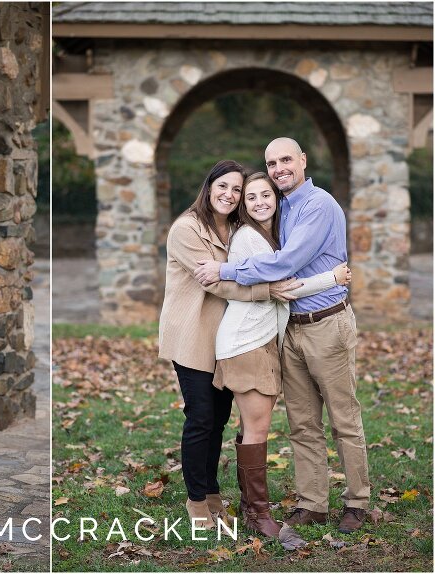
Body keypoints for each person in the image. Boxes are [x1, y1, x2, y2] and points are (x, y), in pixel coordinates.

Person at [194, 138, 370, 534]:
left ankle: (357, 502)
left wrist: (223, 270)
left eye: (286, 159)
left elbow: (285, 265)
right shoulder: (281, 208)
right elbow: (284, 274)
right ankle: (313, 504)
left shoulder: (317, 205)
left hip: (327, 323)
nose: (279, 168)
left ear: (303, 160)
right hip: (291, 329)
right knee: (303, 424)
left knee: (344, 418)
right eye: (271, 162)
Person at [158, 160, 298, 529]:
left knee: (219, 419)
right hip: (192, 334)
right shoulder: (187, 229)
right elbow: (215, 283)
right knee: (201, 417)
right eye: (224, 186)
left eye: (236, 190)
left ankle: (213, 491)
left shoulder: (237, 227)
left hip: (225, 338)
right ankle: (196, 500)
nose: (230, 195)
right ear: (209, 187)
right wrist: (269, 290)